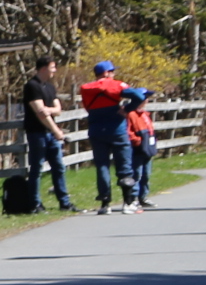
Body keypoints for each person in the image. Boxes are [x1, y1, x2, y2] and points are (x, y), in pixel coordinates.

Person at [78, 61, 134, 213]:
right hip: (117, 130)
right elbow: (138, 95)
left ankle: (105, 204)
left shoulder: (86, 89)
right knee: (124, 165)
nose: (114, 74)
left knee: (102, 166)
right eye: (112, 71)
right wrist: (127, 108)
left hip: (96, 131)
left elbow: (87, 107)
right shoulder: (117, 85)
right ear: (107, 73)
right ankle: (128, 203)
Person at [21, 59, 73, 212]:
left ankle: (64, 202)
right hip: (37, 133)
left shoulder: (50, 87)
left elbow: (58, 109)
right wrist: (56, 130)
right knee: (37, 168)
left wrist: (49, 110)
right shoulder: (32, 86)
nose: (54, 70)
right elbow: (40, 113)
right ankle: (35, 204)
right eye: (52, 67)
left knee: (58, 167)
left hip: (50, 134)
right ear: (43, 68)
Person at [124, 89, 157, 211]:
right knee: (136, 173)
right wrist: (137, 141)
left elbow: (150, 130)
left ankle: (143, 196)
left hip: (147, 147)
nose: (146, 100)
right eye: (145, 97)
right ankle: (134, 197)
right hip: (137, 148)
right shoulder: (131, 114)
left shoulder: (145, 114)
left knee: (146, 174)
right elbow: (128, 132)